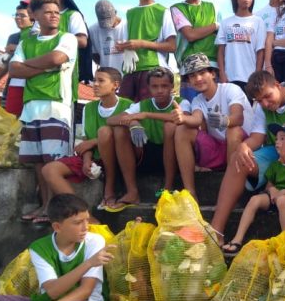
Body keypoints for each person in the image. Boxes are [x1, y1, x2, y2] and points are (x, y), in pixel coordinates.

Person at [209, 71, 285, 241]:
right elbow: (257, 138)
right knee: (238, 157)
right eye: (259, 101)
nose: (265, 103)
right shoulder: (262, 107)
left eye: (268, 96)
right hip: (278, 154)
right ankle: (216, 231)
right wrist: (244, 146)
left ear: (277, 84)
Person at [9, 0, 77, 224]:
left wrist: (27, 65)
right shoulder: (26, 42)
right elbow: (14, 70)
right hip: (30, 109)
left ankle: (61, 211)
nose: (54, 16)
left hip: (56, 107)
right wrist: (41, 66)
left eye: (57, 12)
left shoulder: (67, 38)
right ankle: (45, 205)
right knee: (38, 161)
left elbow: (57, 58)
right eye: (48, 12)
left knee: (53, 162)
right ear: (35, 15)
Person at [41, 68, 132, 211]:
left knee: (104, 132)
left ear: (115, 85)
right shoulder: (88, 108)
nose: (95, 84)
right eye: (94, 80)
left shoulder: (128, 105)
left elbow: (126, 136)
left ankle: (109, 190)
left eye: (101, 80)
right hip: (95, 157)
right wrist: (87, 160)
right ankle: (83, 214)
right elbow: (85, 141)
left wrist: (93, 142)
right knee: (49, 170)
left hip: (120, 156)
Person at [221, 123, 285, 254]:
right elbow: (269, 185)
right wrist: (272, 190)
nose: (277, 142)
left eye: (282, 139)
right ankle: (237, 239)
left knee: (283, 200)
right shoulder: (276, 165)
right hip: (275, 198)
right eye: (276, 139)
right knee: (254, 200)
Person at [174, 53, 253, 199]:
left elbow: (238, 118)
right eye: (192, 76)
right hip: (217, 149)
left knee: (233, 130)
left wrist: (224, 121)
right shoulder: (197, 100)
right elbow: (197, 120)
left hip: (243, 148)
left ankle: (232, 186)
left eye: (202, 73)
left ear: (213, 74)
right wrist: (183, 118)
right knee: (181, 129)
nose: (198, 79)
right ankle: (190, 192)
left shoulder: (230, 89)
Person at [106, 67, 187, 210]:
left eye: (164, 86)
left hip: (175, 157)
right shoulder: (143, 104)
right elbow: (111, 120)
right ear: (149, 88)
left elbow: (179, 118)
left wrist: (146, 115)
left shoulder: (182, 102)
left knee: (170, 127)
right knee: (119, 129)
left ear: (172, 87)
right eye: (155, 86)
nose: (159, 90)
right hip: (146, 154)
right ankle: (132, 191)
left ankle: (166, 189)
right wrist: (133, 122)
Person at [116, 0, 176, 102]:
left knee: (150, 114)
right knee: (125, 113)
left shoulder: (163, 11)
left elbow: (172, 46)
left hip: (154, 69)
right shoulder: (130, 13)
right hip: (131, 70)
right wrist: (124, 46)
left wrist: (142, 43)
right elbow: (128, 42)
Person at [216, 0, 266, 93]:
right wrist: (222, 73)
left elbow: (260, 51)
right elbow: (220, 51)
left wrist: (256, 76)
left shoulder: (258, 22)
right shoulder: (226, 22)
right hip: (230, 78)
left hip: (250, 78)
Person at [0, 0, 34, 116]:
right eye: (16, 15)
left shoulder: (37, 35)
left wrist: (18, 47)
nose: (18, 18)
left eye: (22, 15)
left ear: (33, 18)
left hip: (31, 85)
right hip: (13, 84)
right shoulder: (13, 37)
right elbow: (6, 64)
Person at [44, 0, 92, 91]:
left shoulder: (73, 15)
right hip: (41, 71)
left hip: (65, 72)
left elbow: (82, 41)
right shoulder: (41, 17)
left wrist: (54, 39)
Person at [171, 0, 220, 68]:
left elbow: (222, 38)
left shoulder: (213, 7)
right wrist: (215, 26)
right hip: (189, 63)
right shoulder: (177, 9)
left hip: (214, 63)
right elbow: (190, 35)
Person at [88, 0, 127, 71]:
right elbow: (94, 55)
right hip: (107, 76)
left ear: (115, 12)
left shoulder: (127, 26)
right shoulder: (92, 30)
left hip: (127, 74)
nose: (108, 26)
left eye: (109, 20)